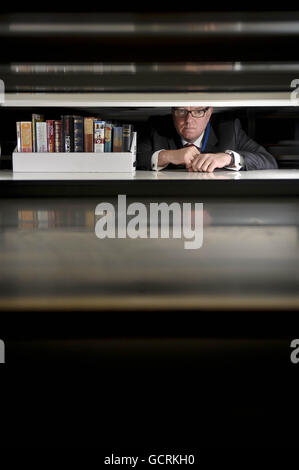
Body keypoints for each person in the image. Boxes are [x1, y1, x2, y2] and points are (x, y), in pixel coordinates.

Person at [136, 106, 278, 172]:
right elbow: (133, 159)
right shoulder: (156, 126)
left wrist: (229, 158)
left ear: (209, 113)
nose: (189, 120)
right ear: (172, 113)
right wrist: (168, 155)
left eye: (198, 111)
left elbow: (268, 161)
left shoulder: (228, 128)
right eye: (181, 111)